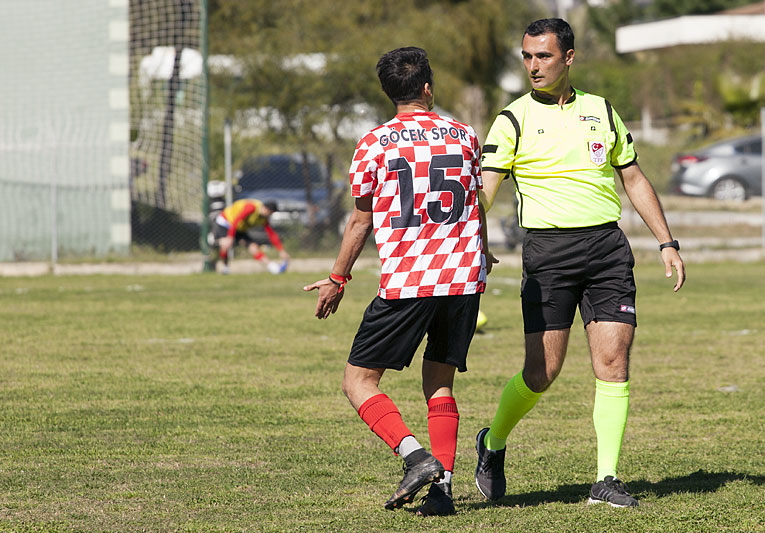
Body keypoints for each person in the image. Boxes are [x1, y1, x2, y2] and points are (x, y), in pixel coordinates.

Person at [473, 18, 686, 508]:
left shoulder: (602, 111)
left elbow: (632, 177)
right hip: (548, 254)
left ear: (568, 57)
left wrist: (666, 242)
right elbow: (482, 195)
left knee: (613, 362)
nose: (533, 66)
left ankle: (605, 479)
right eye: (527, 56)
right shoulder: (512, 119)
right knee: (542, 372)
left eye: (543, 56)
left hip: (607, 250)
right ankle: (493, 442)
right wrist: (473, 242)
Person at [304, 46, 488, 516]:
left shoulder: (374, 143)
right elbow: (475, 206)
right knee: (440, 385)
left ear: (390, 93)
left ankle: (416, 458)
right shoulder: (465, 136)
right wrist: (483, 253)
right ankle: (442, 493)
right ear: (427, 88)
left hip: (409, 280)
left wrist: (336, 278)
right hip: (464, 278)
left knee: (358, 381)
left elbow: (360, 222)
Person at [211, 198, 289, 274]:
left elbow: (271, 234)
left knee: (253, 247)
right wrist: (230, 237)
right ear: (266, 209)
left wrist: (281, 250)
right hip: (226, 222)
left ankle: (273, 268)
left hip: (239, 227)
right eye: (270, 213)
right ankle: (225, 267)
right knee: (225, 245)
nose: (269, 216)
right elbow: (237, 220)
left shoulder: (264, 218)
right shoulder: (251, 208)